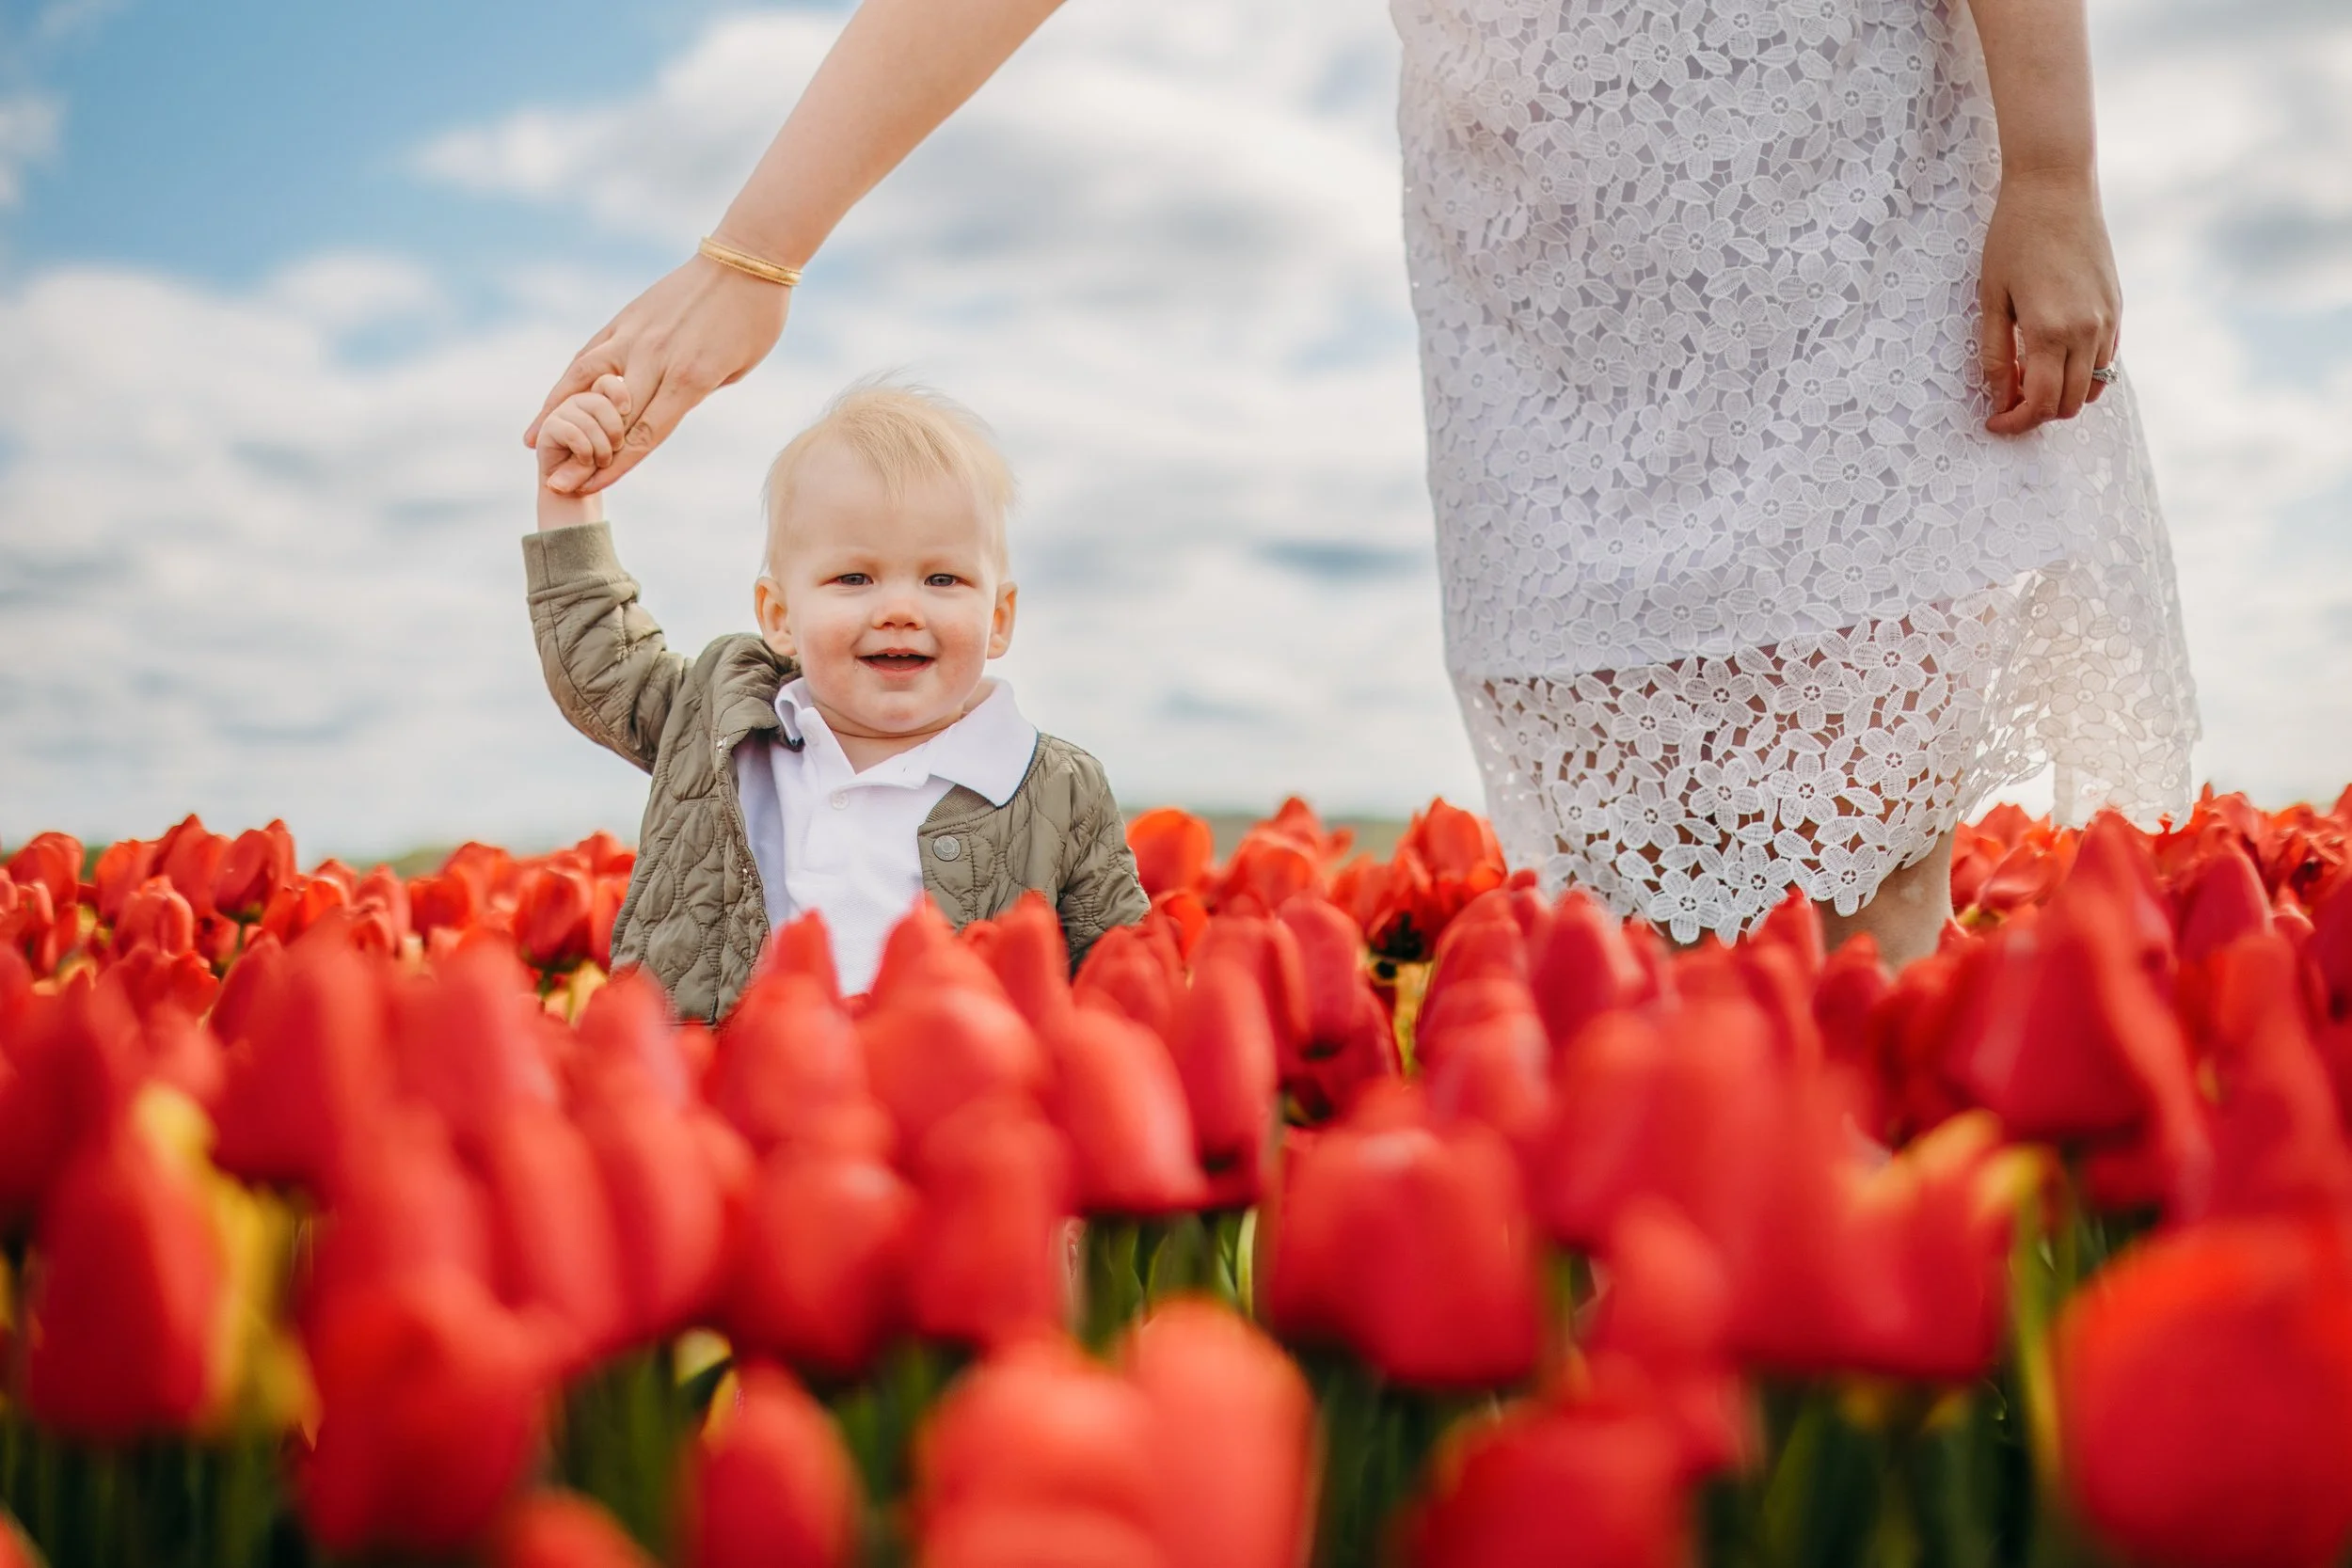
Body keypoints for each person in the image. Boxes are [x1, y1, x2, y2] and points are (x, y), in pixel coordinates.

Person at [528, 0, 2196, 970]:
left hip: (1849, 216)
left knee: (1859, 876)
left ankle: (1840, 1385)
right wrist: (759, 249)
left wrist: (2053, 171)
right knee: (1666, 916)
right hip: (1551, 312)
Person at [526, 372, 1149, 1018]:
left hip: (940, 1105)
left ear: (998, 617)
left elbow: (1121, 977)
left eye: (943, 577)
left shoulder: (1054, 788)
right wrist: (569, 495)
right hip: (718, 1091)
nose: (901, 608)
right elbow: (602, 666)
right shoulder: (719, 719)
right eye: (854, 577)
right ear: (779, 615)